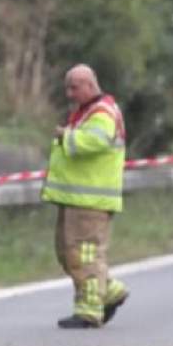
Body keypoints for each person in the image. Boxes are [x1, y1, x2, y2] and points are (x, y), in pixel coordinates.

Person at [42, 64, 130, 329]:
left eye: (74, 87)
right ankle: (109, 291)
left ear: (90, 85)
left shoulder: (102, 112)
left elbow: (95, 142)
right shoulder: (87, 111)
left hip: (91, 202)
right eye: (67, 87)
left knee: (85, 255)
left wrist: (67, 137)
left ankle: (89, 311)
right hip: (76, 199)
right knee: (68, 254)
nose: (69, 93)